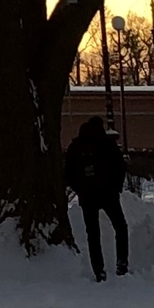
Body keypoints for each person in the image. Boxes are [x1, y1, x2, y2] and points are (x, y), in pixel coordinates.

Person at [64, 115, 129, 281]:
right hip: (108, 194)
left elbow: (68, 173)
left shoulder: (76, 146)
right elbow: (120, 166)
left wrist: (80, 190)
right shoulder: (107, 144)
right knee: (120, 227)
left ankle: (98, 270)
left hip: (88, 196)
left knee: (93, 234)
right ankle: (122, 263)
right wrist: (116, 187)